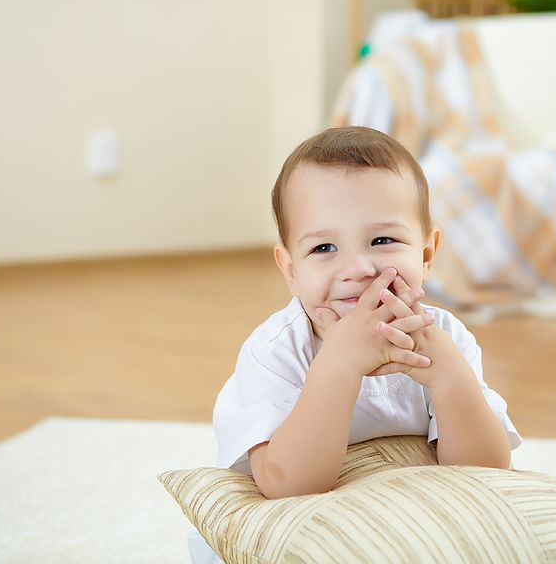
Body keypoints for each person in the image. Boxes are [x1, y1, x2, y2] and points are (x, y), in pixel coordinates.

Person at [190, 126, 520, 562]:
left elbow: (484, 471)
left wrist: (450, 377)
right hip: (294, 537)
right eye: (324, 247)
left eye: (383, 241)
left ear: (426, 254)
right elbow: (287, 485)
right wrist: (340, 365)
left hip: (405, 528)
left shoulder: (444, 338)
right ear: (290, 270)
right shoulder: (276, 351)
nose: (359, 268)